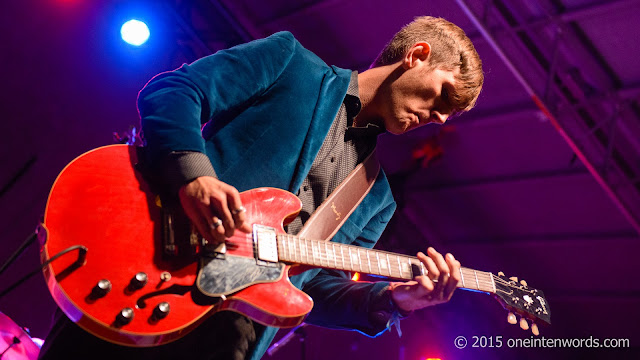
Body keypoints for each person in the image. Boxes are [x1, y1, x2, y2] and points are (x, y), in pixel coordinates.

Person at [39, 16, 483, 360]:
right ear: (417, 55)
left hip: (224, 345)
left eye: (452, 113)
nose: (441, 118)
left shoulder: (377, 198)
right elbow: (174, 92)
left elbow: (314, 292)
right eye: (443, 95)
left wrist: (399, 299)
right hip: (146, 279)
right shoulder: (292, 64)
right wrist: (196, 177)